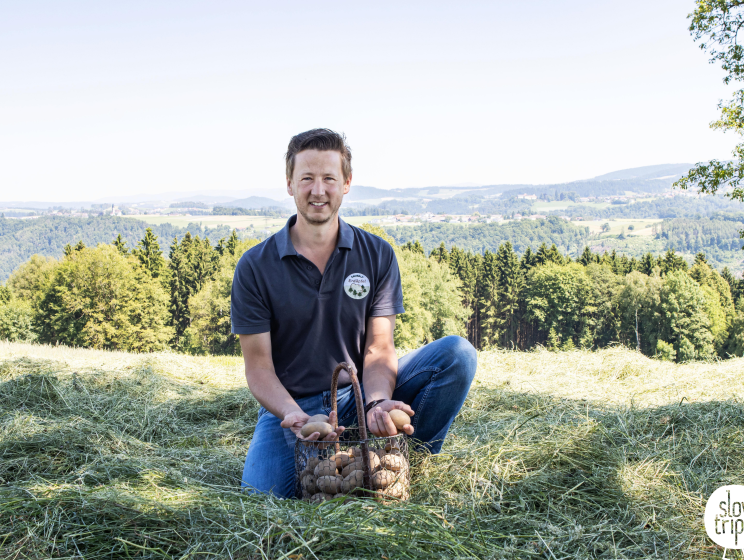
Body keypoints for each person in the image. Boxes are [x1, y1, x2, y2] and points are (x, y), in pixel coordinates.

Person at [231, 128, 477, 498]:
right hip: (296, 407)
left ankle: (401, 458)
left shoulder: (377, 253)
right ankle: (337, 456)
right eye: (307, 179)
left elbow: (379, 348)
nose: (318, 190)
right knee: (261, 497)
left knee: (457, 355)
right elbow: (259, 369)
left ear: (346, 183)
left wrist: (377, 401)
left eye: (329, 178)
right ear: (289, 184)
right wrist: (295, 415)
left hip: (360, 391)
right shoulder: (255, 266)